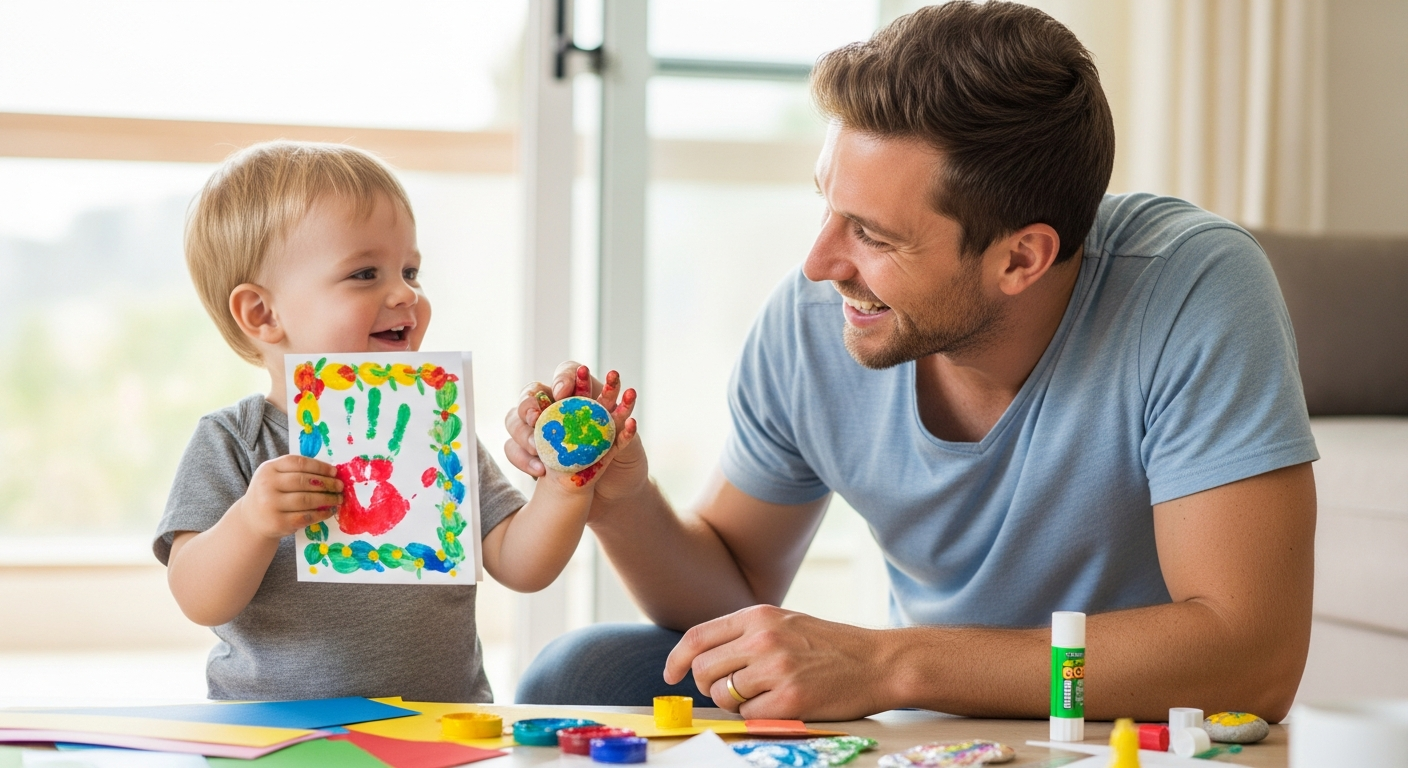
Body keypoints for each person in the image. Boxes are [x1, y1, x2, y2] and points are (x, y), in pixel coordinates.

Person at [507, 1, 1317, 723]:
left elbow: (1252, 661)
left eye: (873, 235)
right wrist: (620, 497)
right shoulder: (815, 319)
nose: (820, 263)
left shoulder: (1192, 289)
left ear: (1020, 259)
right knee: (585, 672)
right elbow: (734, 589)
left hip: (1119, 726)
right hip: (928, 718)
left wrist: (894, 662)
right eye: (826, 205)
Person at [153, 141, 637, 701]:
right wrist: (250, 523)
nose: (406, 293)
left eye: (410, 270)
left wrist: (564, 485)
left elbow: (520, 563)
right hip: (277, 736)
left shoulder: (437, 427)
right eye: (365, 273)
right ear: (263, 314)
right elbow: (197, 596)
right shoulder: (235, 439)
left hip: (440, 730)